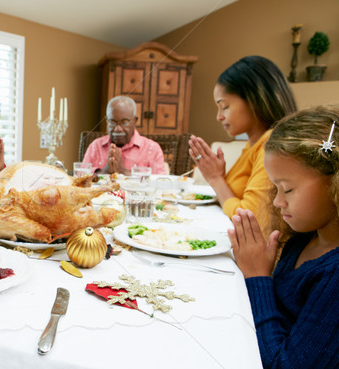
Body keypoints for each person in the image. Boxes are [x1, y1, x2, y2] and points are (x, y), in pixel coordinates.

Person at [228, 105, 339, 369]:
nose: (277, 202)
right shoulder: (305, 237)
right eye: (275, 188)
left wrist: (258, 277)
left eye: (287, 189)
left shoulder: (333, 274)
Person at [189, 55, 297, 225]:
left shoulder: (271, 146)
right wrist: (218, 177)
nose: (219, 116)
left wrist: (216, 179)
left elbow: (250, 218)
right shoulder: (254, 143)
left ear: (254, 99)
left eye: (224, 106)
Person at [82, 95, 167, 175]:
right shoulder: (95, 146)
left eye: (124, 122)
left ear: (134, 121)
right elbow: (79, 179)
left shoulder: (152, 149)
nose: (118, 129)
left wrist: (123, 171)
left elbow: (160, 183)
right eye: (112, 122)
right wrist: (105, 171)